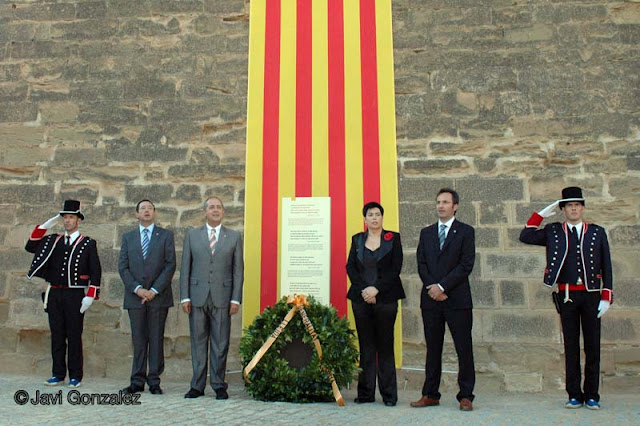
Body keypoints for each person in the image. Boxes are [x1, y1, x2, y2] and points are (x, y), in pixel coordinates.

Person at [519, 186, 613, 410]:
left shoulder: (597, 232)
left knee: (592, 347)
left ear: (582, 208)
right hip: (567, 295)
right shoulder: (553, 231)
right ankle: (574, 394)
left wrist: (606, 295)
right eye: (569, 206)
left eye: (577, 205)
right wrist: (541, 213)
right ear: (563, 209)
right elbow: (525, 235)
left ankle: (592, 395)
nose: (574, 209)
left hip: (591, 296)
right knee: (571, 347)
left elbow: (606, 265)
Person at [411, 188, 476, 411]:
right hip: (431, 300)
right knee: (433, 348)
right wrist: (433, 287)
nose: (441, 206)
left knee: (463, 348)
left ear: (455, 206)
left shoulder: (466, 232)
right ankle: (430, 393)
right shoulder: (426, 233)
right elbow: (421, 264)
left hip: (457, 300)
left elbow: (466, 265)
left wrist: (443, 286)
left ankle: (466, 395)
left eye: (445, 202)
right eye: (438, 202)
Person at [25, 199, 101, 388]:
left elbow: (95, 271)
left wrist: (90, 295)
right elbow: (31, 246)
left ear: (78, 220)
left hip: (75, 295)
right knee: (57, 335)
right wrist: (48, 224)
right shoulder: (53, 240)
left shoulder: (88, 243)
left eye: (71, 217)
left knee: (74, 335)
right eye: (65, 218)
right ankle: (58, 374)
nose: (67, 221)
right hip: (54, 294)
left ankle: (76, 375)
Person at [180, 196, 244, 399]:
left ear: (223, 212)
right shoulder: (192, 235)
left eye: (219, 207)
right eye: (212, 207)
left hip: (223, 298)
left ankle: (218, 385)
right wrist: (184, 297)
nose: (216, 210)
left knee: (220, 343)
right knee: (198, 342)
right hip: (197, 296)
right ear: (204, 212)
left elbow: (238, 271)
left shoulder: (234, 236)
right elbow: (185, 268)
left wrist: (236, 299)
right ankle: (197, 386)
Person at [347, 202, 405, 407]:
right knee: (366, 345)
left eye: (377, 214)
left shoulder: (393, 238)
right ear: (365, 219)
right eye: (370, 214)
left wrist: (376, 289)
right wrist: (365, 290)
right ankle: (365, 393)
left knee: (385, 346)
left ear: (382, 217)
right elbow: (351, 268)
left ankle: (389, 395)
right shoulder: (357, 240)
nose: (374, 217)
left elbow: (395, 268)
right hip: (361, 299)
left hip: (386, 298)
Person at [119, 199, 176, 395]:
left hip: (158, 297)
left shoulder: (166, 236)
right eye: (142, 208)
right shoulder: (128, 237)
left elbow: (170, 265)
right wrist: (137, 289)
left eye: (150, 208)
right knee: (139, 339)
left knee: (156, 338)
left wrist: (153, 290)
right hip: (135, 298)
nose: (146, 211)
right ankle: (137, 381)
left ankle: (154, 380)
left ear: (154, 213)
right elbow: (123, 267)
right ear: (136, 214)